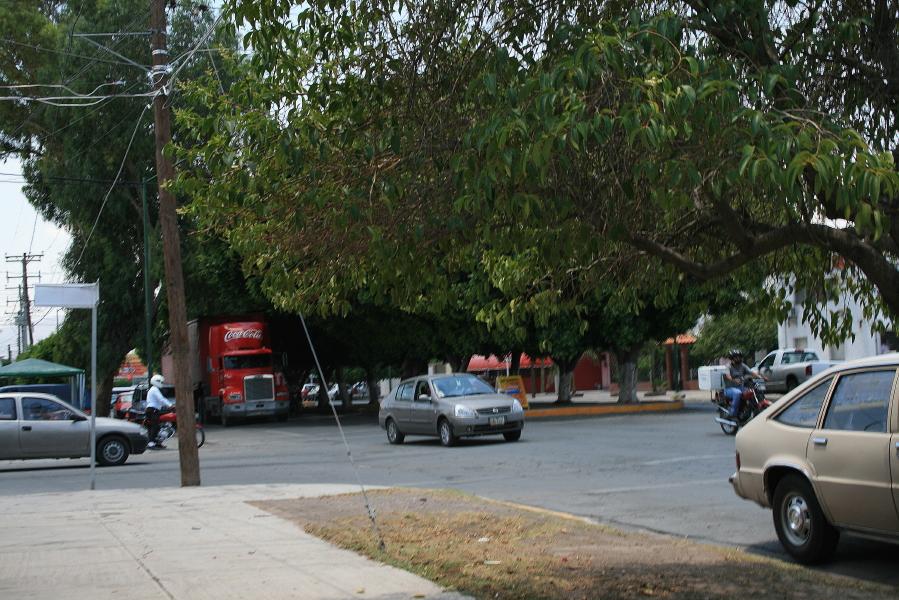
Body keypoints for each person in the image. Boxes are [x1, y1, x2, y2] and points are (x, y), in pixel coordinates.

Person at [723, 350, 764, 420]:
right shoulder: (728, 366)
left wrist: (761, 377)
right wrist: (734, 380)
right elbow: (728, 376)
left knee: (751, 392)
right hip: (729, 389)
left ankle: (750, 409)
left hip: (741, 387)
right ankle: (732, 413)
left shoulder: (742, 365)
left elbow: (751, 372)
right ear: (732, 358)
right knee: (737, 393)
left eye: (739, 357)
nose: (739, 359)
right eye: (736, 357)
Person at [146, 374, 174, 449]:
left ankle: (157, 442)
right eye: (161, 382)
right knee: (155, 426)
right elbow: (161, 399)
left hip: (153, 409)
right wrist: (170, 405)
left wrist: (168, 406)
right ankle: (151, 443)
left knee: (159, 425)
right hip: (153, 410)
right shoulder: (154, 389)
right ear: (156, 381)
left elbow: (160, 401)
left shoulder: (154, 389)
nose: (162, 383)